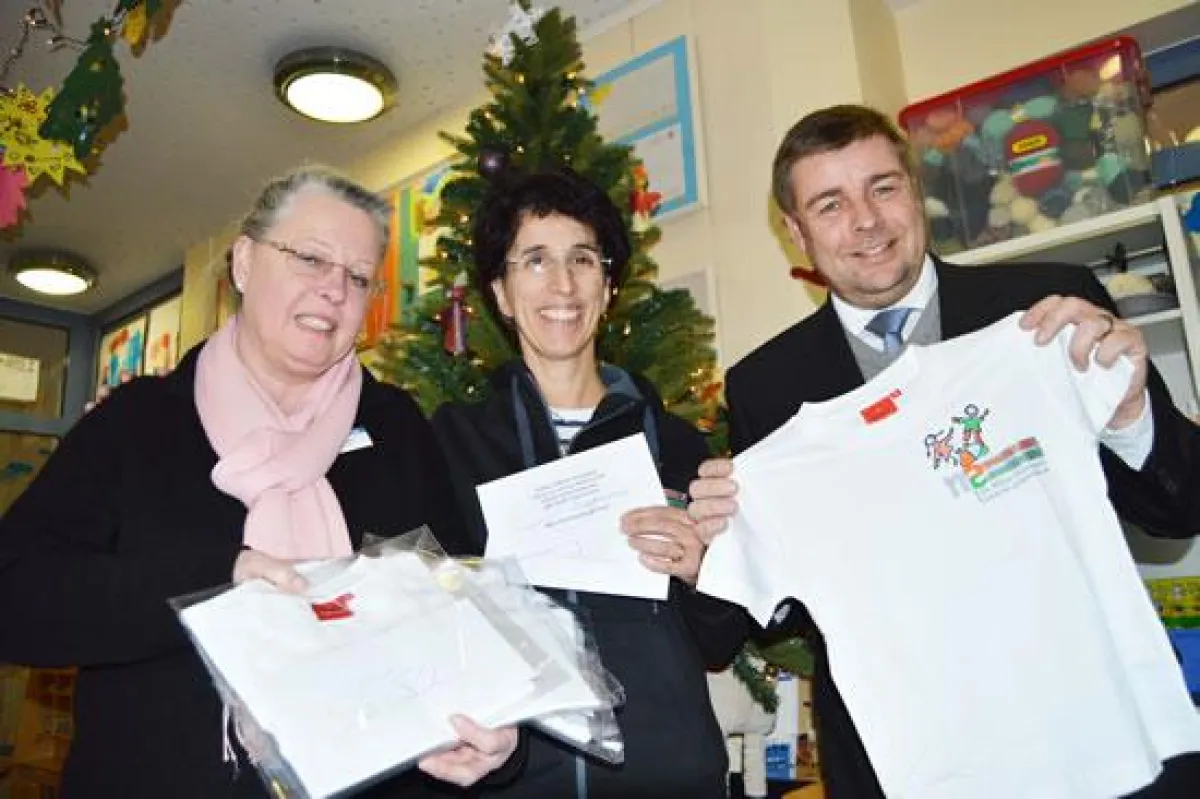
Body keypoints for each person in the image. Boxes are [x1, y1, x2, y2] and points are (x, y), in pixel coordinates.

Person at [688, 104, 1200, 798]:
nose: (866, 221)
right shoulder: (766, 386)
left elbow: (1181, 507)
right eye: (830, 204)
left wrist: (1132, 408)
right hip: (913, 756)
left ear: (915, 190)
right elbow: (785, 601)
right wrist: (714, 549)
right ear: (795, 231)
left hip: (1096, 720)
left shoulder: (1043, 312)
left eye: (884, 187)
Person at [0, 166, 518, 798]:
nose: (334, 290)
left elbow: (465, 606)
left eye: (357, 277)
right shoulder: (137, 423)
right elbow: (17, 595)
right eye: (310, 258)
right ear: (244, 263)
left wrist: (490, 737)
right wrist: (218, 579)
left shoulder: (397, 429)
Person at [430, 168, 743, 798]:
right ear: (501, 291)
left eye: (582, 259)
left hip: (669, 776)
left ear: (607, 287)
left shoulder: (678, 443)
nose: (563, 284)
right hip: (513, 781)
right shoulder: (455, 442)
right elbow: (429, 615)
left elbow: (721, 637)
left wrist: (701, 571)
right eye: (535, 261)